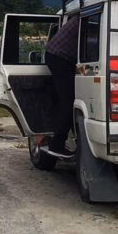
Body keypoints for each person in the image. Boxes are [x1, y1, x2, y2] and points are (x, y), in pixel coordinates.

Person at [43, 16, 79, 159]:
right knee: (68, 102)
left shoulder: (81, 17)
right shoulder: (89, 20)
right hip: (59, 57)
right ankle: (57, 145)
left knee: (64, 99)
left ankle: (60, 138)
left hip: (56, 55)